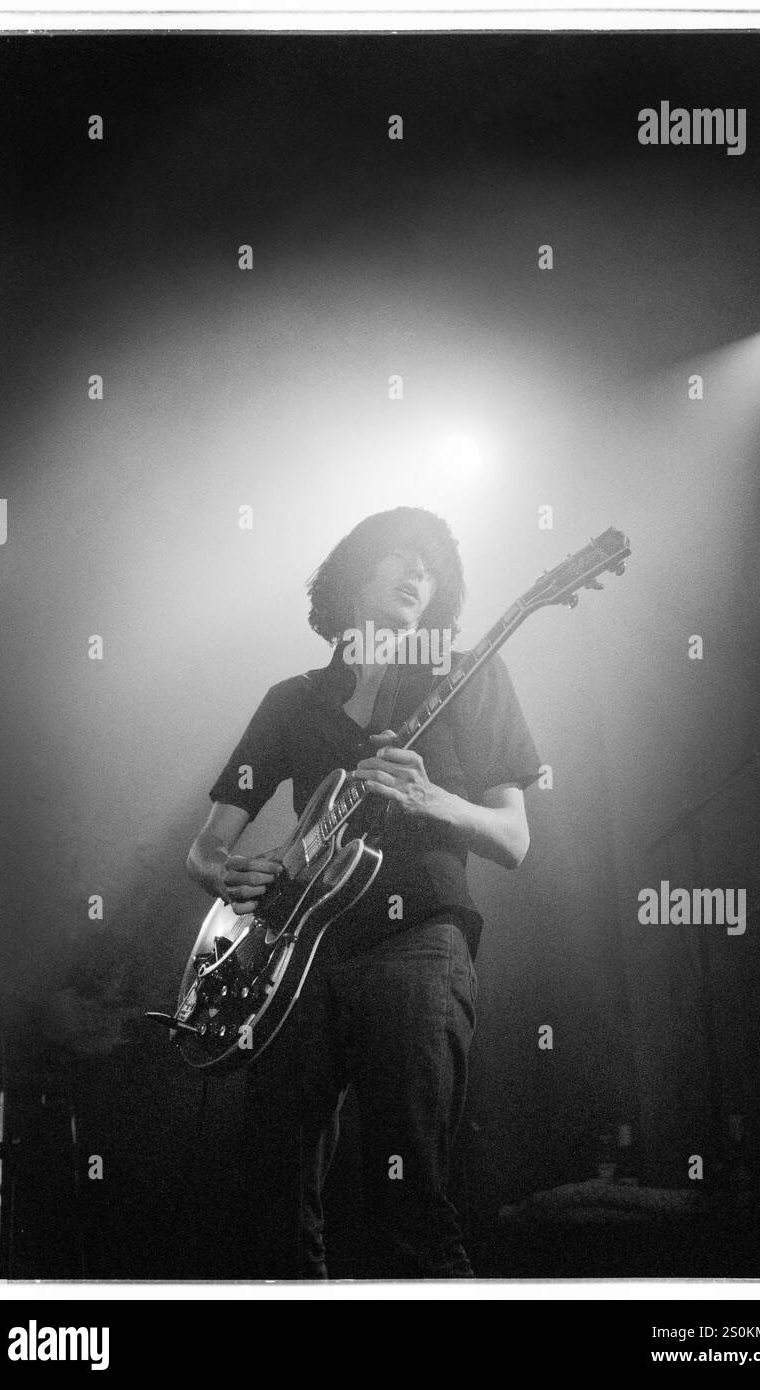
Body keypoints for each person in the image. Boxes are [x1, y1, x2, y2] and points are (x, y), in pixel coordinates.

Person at [187, 506, 540, 1278]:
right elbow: (205, 847)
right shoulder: (292, 700)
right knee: (275, 1191)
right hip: (295, 959)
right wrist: (228, 871)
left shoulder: (467, 675)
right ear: (357, 571)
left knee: (410, 1193)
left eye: (434, 565)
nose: (423, 572)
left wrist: (431, 801)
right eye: (405, 556)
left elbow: (514, 839)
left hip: (416, 938)